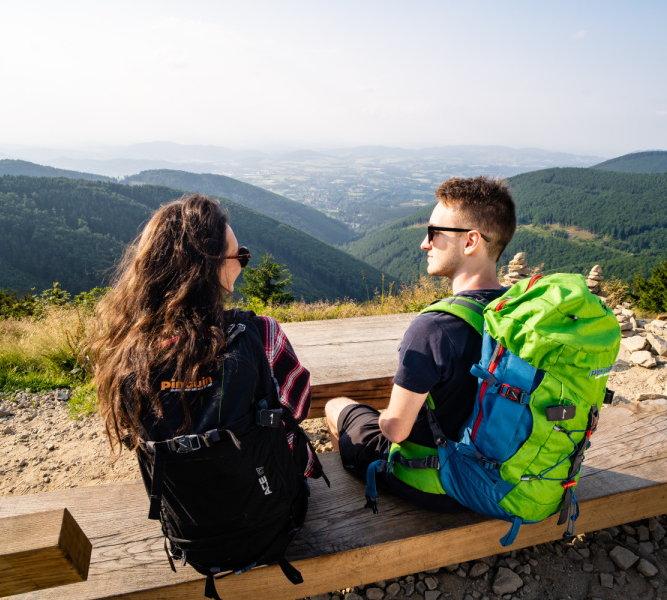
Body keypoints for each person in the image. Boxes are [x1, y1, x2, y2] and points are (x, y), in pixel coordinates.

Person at [325, 176, 516, 512]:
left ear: (471, 242)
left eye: (433, 233)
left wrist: (385, 416)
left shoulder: (434, 328)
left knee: (336, 406)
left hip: (442, 488)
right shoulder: (520, 315)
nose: (424, 244)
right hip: (507, 481)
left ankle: (352, 508)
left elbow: (396, 431)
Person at [92, 192, 317, 475]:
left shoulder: (126, 347)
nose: (243, 264)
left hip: (182, 508)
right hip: (268, 497)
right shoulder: (261, 333)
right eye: (241, 256)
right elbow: (299, 408)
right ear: (210, 268)